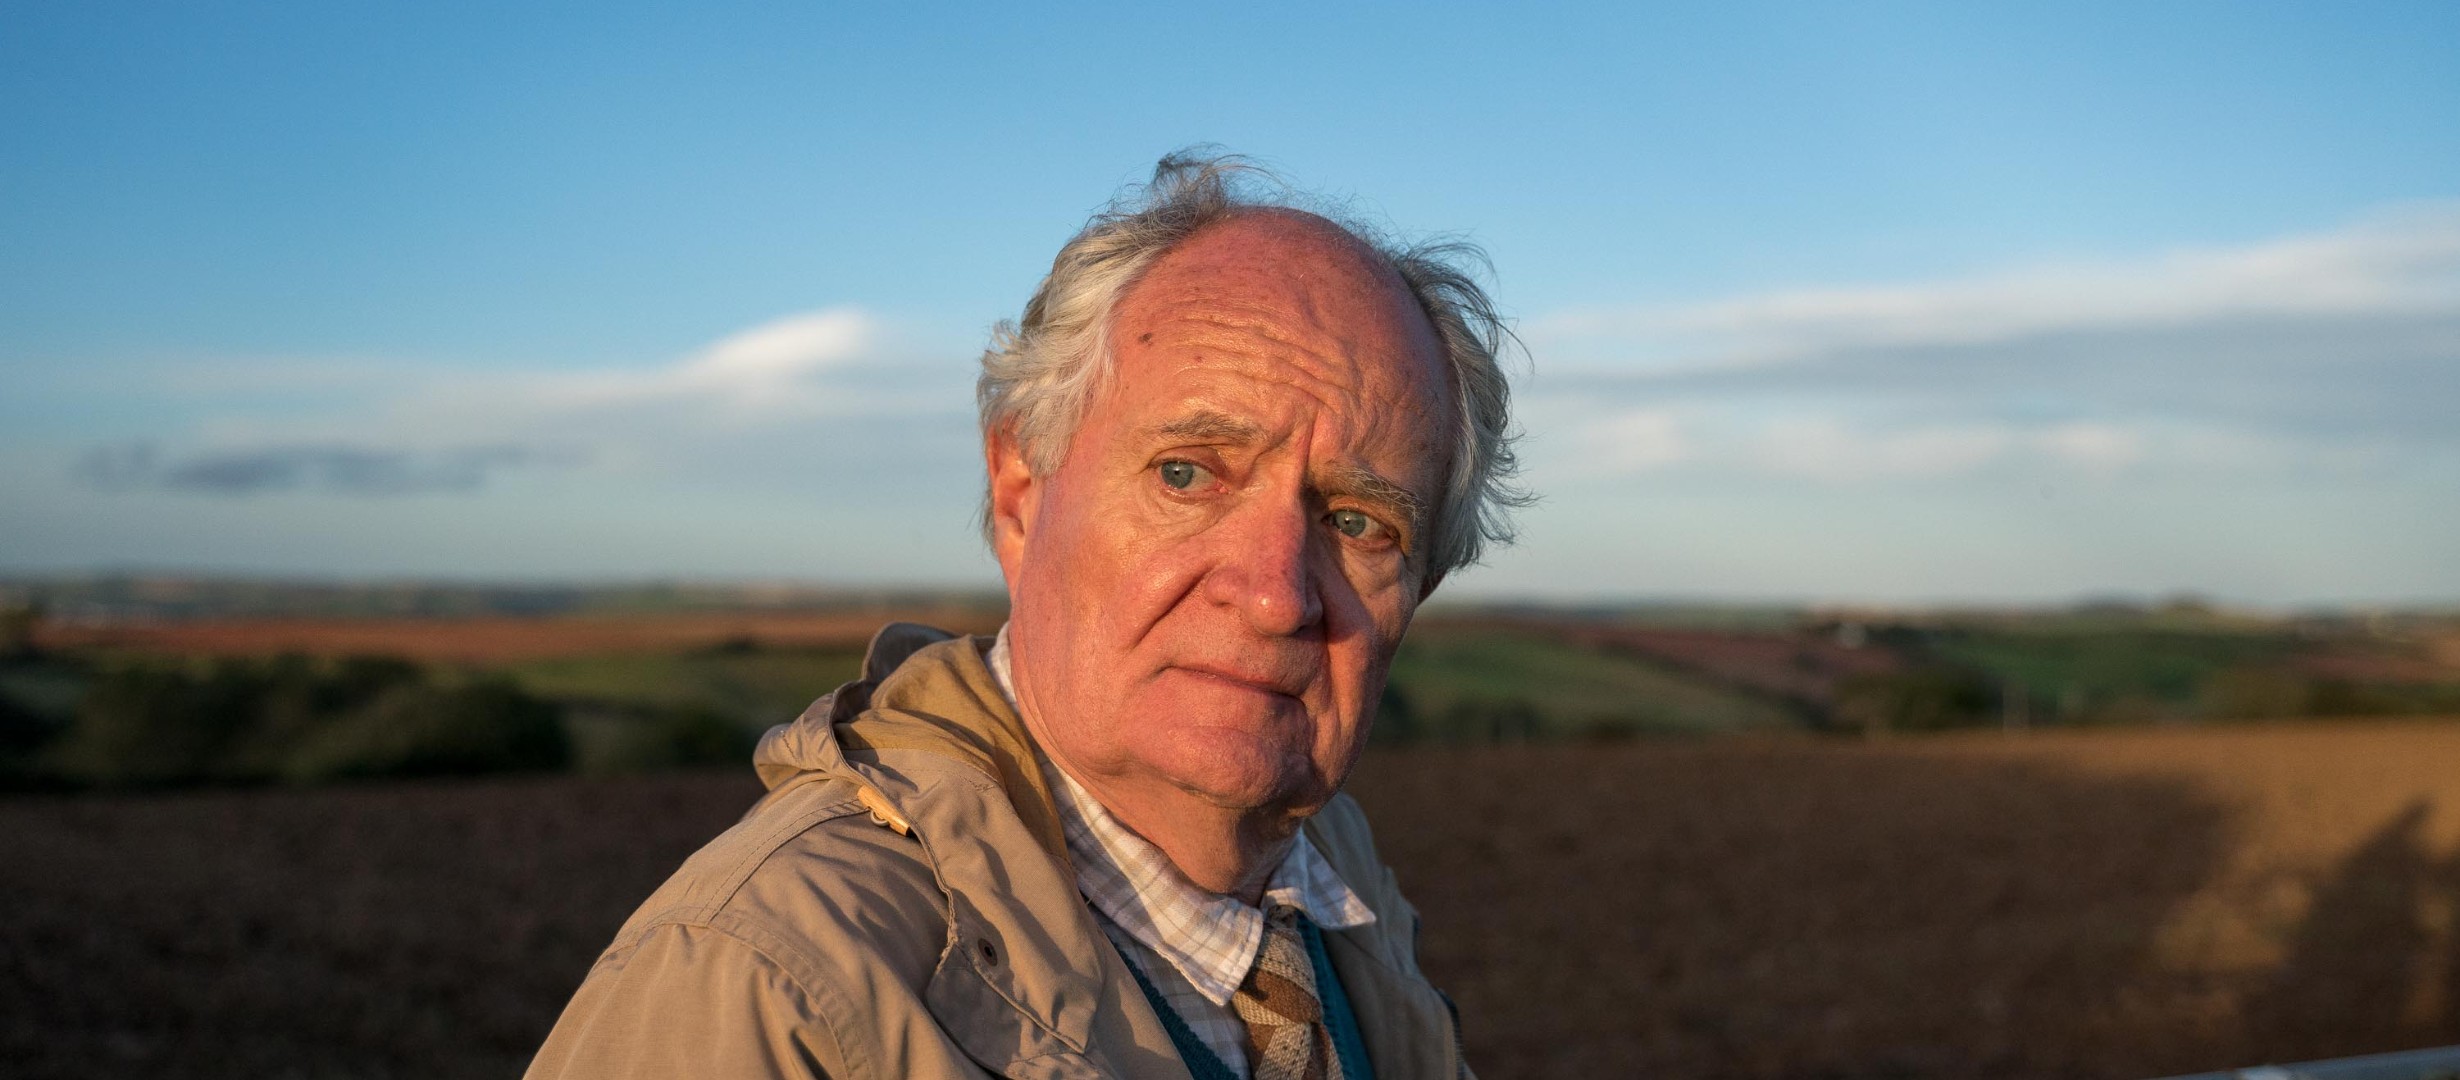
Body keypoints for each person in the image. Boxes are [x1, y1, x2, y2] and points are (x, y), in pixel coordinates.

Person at [526, 151, 1528, 1080]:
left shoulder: (1337, 901)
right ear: (1020, 489)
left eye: (1358, 521)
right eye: (1187, 474)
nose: (1274, 593)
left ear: (1424, 582)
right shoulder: (766, 987)